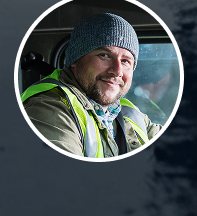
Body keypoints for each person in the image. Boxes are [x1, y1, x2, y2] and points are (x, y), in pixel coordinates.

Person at [21, 11, 162, 159]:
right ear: (75, 60)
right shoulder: (48, 109)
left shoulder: (130, 113)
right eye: (105, 55)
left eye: (126, 61)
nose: (117, 71)